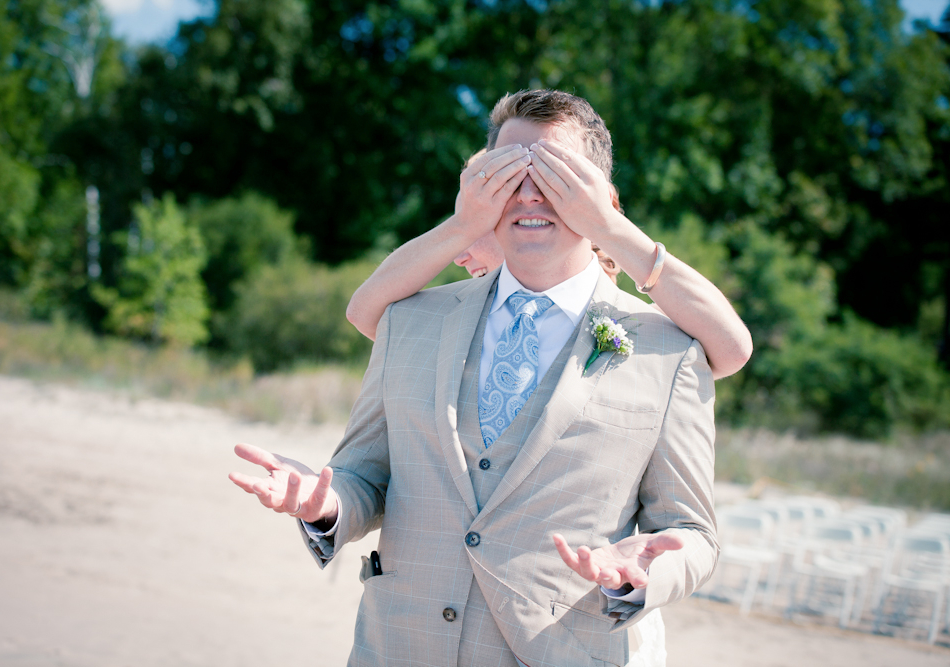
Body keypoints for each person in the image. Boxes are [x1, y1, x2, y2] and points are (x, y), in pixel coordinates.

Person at [230, 90, 719, 667]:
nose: (530, 192)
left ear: (602, 201)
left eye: (555, 174)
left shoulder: (672, 351)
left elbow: (692, 532)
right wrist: (327, 503)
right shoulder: (409, 322)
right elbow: (365, 476)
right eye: (509, 173)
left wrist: (645, 572)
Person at [346, 163, 751, 381]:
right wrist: (461, 225)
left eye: (478, 220)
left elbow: (732, 350)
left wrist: (605, 224)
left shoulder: (638, 330)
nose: (458, 253)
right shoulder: (446, 320)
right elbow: (365, 313)